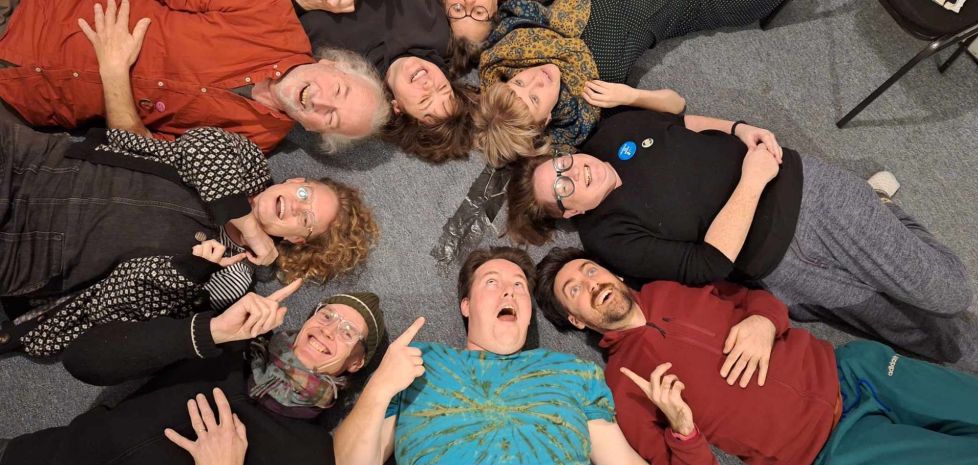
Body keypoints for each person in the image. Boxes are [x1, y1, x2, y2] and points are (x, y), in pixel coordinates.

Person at [506, 108, 978, 383]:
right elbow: (707, 264)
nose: (576, 171)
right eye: (563, 187)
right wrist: (751, 180)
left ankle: (878, 210)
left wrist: (739, 128)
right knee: (913, 329)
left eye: (563, 164)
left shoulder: (611, 133)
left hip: (805, 193)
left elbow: (682, 121)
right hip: (784, 269)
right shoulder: (608, 239)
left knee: (948, 292)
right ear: (569, 213)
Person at [534, 248, 978, 465]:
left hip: (853, 369)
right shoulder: (622, 386)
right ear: (576, 320)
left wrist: (764, 322)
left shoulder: (668, 287)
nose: (590, 283)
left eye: (590, 270)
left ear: (614, 274)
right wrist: (683, 429)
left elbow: (753, 297)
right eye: (573, 290)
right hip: (829, 451)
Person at [0, 119, 379, 357]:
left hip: (33, 251)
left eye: (306, 219)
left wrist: (191, 268)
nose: (296, 206)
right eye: (304, 194)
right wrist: (249, 227)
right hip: (42, 161)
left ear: (297, 240)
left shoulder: (234, 279)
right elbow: (201, 144)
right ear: (295, 180)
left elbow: (119, 304)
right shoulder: (248, 164)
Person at [332, 246, 654, 465]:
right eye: (491, 282)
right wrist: (379, 386)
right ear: (466, 305)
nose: (509, 291)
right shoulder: (418, 364)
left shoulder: (574, 372)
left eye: (519, 285)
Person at [0, 286, 388, 465]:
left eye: (348, 332)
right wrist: (211, 331)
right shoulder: (230, 344)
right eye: (327, 315)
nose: (328, 329)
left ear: (356, 363)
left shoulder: (310, 455)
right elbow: (83, 360)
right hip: (31, 460)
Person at [0, 0, 389, 154]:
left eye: (331, 118)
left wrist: (114, 73)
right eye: (339, 91)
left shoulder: (252, 144)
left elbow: (140, 152)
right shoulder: (268, 13)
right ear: (332, 64)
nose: (321, 101)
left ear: (315, 130)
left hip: (23, 105)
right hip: (30, 13)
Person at [473, 0, 785, 166]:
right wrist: (629, 96)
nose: (536, 79)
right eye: (534, 99)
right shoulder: (588, 113)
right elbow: (676, 105)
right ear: (544, 121)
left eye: (519, 83)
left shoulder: (513, 47)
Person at [296, 0, 478, 162]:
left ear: (398, 108)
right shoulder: (438, 34)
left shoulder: (346, 84)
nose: (429, 84)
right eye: (443, 87)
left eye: (424, 100)